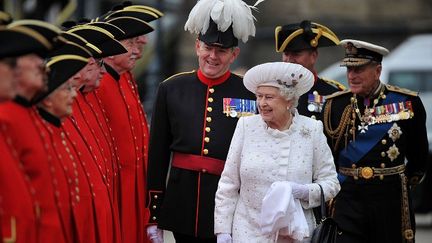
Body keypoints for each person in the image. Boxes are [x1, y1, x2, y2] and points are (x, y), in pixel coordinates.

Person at [146, 0, 260, 242]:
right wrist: (154, 213)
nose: (213, 56)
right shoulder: (171, 88)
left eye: (222, 51)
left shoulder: (249, 93)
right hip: (181, 204)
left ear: (234, 54)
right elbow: (157, 154)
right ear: (197, 46)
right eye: (208, 47)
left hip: (229, 206)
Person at [213, 62, 340, 242]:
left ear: (289, 100)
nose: (262, 103)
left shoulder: (311, 130)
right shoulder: (246, 126)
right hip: (248, 232)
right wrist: (223, 230)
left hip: (296, 235)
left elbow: (331, 183)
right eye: (259, 96)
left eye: (269, 97)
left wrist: (302, 191)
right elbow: (228, 183)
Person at [322, 39, 429, 242]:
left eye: (359, 70)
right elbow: (329, 156)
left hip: (388, 199)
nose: (351, 76)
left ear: (378, 71)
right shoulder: (335, 105)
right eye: (349, 69)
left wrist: (400, 184)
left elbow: (419, 158)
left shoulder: (406, 103)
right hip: (348, 200)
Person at [275, 20, 345, 120]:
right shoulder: (270, 91)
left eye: (296, 54)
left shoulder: (332, 95)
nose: (289, 60)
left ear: (313, 56)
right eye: (286, 54)